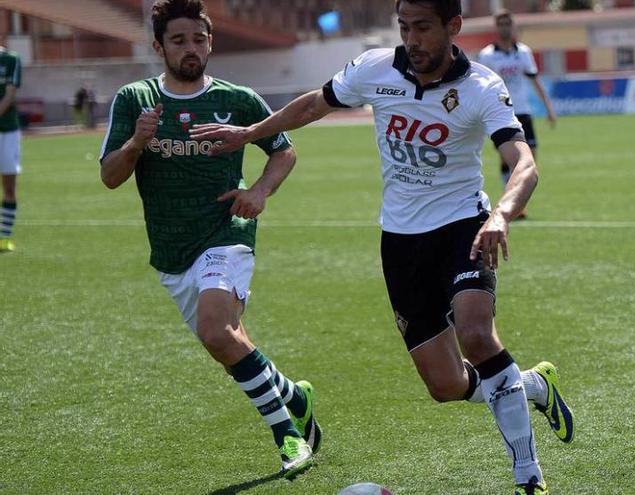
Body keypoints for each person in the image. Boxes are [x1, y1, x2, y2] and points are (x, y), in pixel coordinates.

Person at [190, 1, 573, 493]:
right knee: (446, 386)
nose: (412, 39)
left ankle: (529, 477)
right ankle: (532, 385)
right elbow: (313, 105)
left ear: (452, 27)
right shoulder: (375, 68)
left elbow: (523, 163)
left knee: (477, 335)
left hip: (464, 227)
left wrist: (499, 215)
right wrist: (250, 133)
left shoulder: (481, 86)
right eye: (404, 27)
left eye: (423, 28)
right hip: (401, 242)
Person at [99, 0, 320, 479]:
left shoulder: (239, 99)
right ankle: (295, 396)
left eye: (198, 39)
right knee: (228, 345)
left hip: (227, 231)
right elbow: (110, 177)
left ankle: (289, 437)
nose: (191, 49)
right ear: (159, 46)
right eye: (179, 41)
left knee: (217, 330)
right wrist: (138, 142)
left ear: (210, 42)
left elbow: (284, 151)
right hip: (171, 249)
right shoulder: (134, 99)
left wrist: (259, 192)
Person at [478, 9, 556, 218]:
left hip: (523, 110)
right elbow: (480, 86)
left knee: (531, 156)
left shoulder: (522, 52)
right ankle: (514, 204)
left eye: (507, 23)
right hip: (500, 112)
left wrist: (548, 108)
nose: (504, 27)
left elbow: (534, 80)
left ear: (513, 26)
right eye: (501, 24)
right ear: (497, 27)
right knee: (508, 158)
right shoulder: (487, 55)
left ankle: (515, 200)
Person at [0, 38, 22, 252]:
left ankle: (4, 236)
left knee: (9, 187)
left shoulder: (11, 60)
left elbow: (10, 94)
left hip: (7, 132)